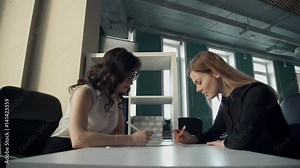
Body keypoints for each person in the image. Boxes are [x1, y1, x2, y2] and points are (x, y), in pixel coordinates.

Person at [174, 51, 292, 157]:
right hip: (249, 158)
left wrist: (225, 143)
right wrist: (193, 138)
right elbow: (215, 131)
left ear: (215, 73)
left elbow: (242, 139)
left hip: (278, 160)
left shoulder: (257, 92)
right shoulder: (227, 100)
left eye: (199, 82)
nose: (197, 89)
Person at [42, 47, 152, 154]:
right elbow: (78, 140)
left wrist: (120, 139)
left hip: (92, 149)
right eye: (128, 76)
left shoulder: (115, 97)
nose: (131, 82)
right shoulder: (85, 92)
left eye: (133, 76)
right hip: (62, 149)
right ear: (115, 73)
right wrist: (131, 139)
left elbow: (118, 132)